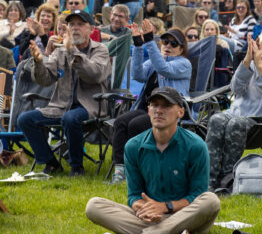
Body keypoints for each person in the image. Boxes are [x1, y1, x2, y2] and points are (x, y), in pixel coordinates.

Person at [85, 87, 220, 234]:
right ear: (148, 110)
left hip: (184, 217)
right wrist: (145, 209)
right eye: (155, 105)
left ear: (180, 112)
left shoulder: (195, 145)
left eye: (166, 106)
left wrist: (165, 207)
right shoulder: (133, 146)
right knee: (94, 206)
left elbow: (196, 195)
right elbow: (134, 196)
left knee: (211, 201)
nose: (159, 110)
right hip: (149, 218)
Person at [18, 10, 110, 176]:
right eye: (71, 25)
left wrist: (72, 51)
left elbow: (95, 74)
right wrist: (39, 62)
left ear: (91, 29)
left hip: (90, 105)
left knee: (70, 118)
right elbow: (45, 80)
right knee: (25, 119)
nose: (75, 28)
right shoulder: (60, 51)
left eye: (80, 24)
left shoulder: (100, 50)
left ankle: (76, 167)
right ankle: (51, 163)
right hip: (61, 106)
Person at [205, 28, 262, 190]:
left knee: (236, 123)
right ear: (260, 46)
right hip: (237, 113)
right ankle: (209, 180)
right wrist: (248, 61)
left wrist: (260, 66)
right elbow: (235, 88)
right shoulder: (251, 64)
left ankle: (227, 180)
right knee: (216, 119)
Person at [108, 23, 191, 184]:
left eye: (173, 44)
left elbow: (164, 68)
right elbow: (137, 74)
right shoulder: (154, 61)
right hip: (148, 109)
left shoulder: (184, 64)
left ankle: (138, 170)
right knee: (121, 122)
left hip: (170, 112)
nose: (167, 45)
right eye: (165, 41)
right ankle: (120, 168)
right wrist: (139, 45)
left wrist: (149, 40)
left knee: (135, 124)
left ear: (181, 49)